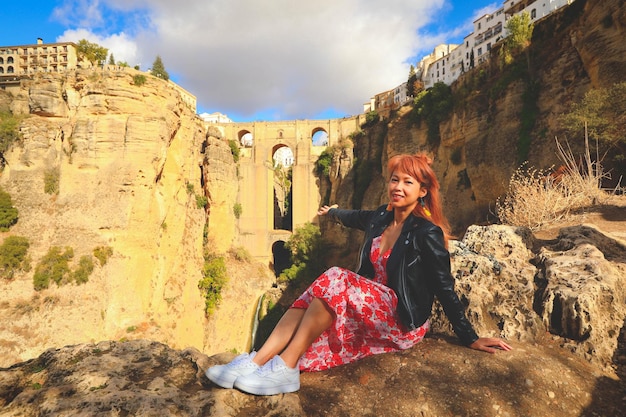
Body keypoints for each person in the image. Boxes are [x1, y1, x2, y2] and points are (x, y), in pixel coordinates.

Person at [206, 153, 512, 396]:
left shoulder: (426, 232)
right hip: (368, 308)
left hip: (399, 320)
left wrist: (470, 337)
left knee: (336, 276)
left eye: (407, 182)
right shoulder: (380, 217)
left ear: (422, 191)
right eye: (394, 180)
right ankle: (255, 360)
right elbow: (354, 217)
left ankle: (285, 369)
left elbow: (444, 286)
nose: (398, 187)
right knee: (318, 289)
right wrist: (333, 213)